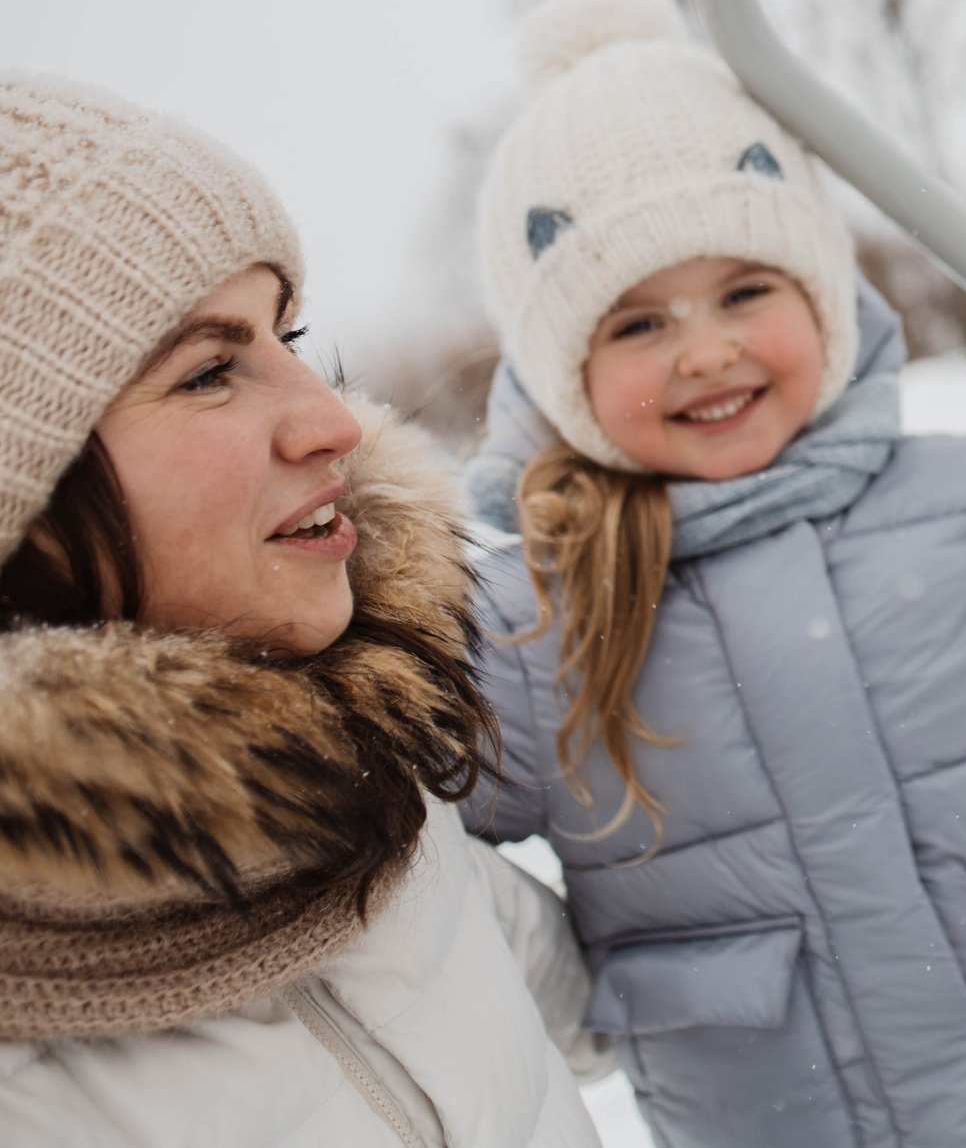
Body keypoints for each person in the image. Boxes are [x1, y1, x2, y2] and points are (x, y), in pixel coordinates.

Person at [458, 0, 966, 1148]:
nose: (706, 349)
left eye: (746, 290)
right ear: (561, 374)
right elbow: (415, 873)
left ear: (825, 295)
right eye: (637, 323)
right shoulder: (525, 626)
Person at [0, 73, 608, 1146]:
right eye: (206, 373)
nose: (332, 419)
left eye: (290, 336)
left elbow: (613, 1003)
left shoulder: (358, 780)